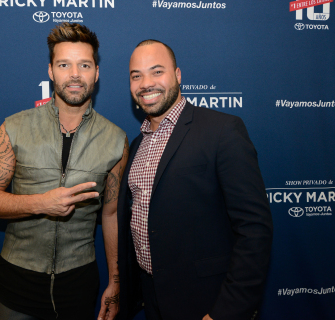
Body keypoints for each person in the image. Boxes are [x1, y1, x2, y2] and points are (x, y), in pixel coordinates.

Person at [0, 23, 128, 320]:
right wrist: (42, 203)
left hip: (78, 286)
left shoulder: (115, 140)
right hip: (15, 284)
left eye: (84, 65)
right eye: (64, 64)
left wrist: (115, 280)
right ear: (50, 71)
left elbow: (109, 215)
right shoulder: (14, 127)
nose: (74, 74)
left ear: (96, 73)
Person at [117, 40, 273, 320]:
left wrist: (225, 312)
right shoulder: (137, 144)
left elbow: (254, 230)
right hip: (152, 298)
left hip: (207, 302)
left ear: (177, 76)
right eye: (136, 75)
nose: (145, 83)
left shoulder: (223, 130)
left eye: (156, 71)